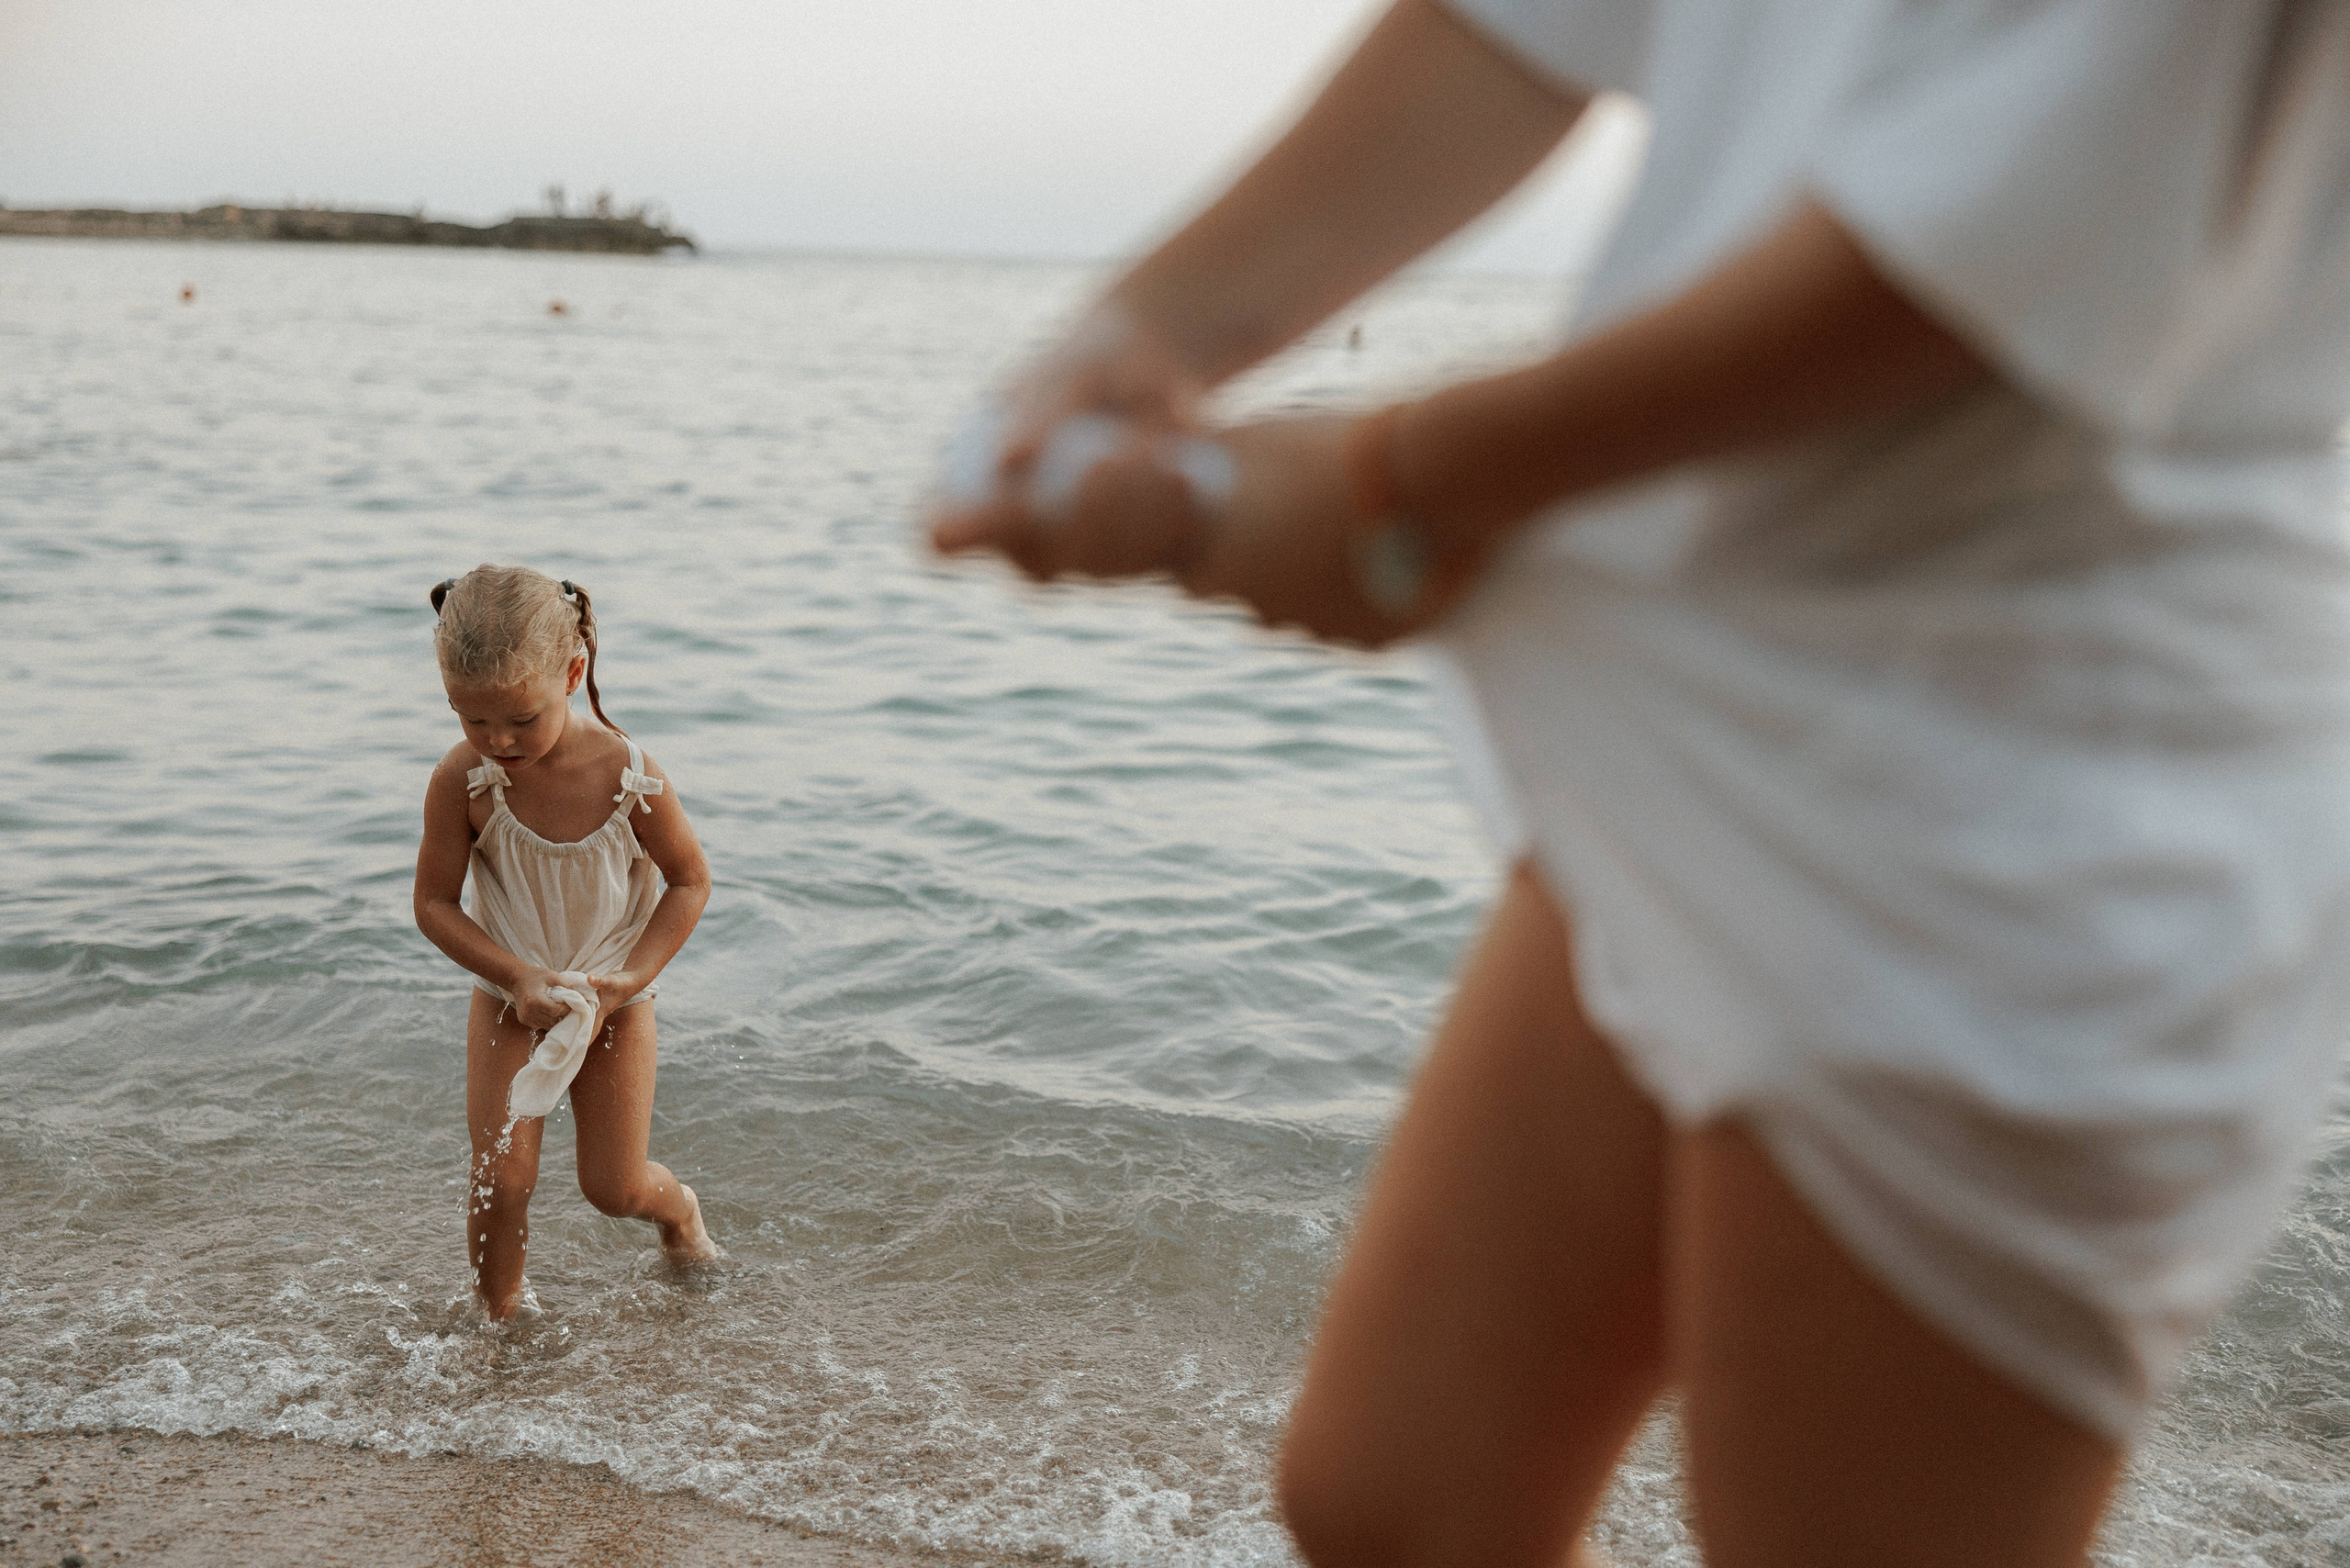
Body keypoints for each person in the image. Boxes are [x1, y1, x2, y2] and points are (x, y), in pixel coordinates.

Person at [928, 1, 2350, 1562]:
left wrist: (1405, 484)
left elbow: (2036, 223)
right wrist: (1139, 339)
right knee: (1403, 1499)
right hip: (1699, 692)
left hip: (2011, 752)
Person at [413, 565, 718, 1319]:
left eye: (519, 717)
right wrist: (517, 977)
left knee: (612, 1189)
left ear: (574, 672)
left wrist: (627, 979)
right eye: (471, 719)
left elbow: (689, 883)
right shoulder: (465, 781)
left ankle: (680, 1213)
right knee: (501, 1177)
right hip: (509, 994)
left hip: (616, 998)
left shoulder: (631, 777)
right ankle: (501, 1321)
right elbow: (432, 904)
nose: (497, 740)